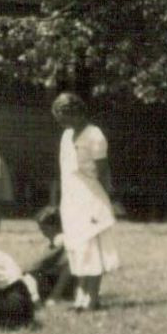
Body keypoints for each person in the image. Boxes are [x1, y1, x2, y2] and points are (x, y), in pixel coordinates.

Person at [52, 92, 119, 311]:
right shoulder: (66, 136)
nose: (60, 121)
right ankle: (80, 296)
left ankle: (92, 298)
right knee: (77, 247)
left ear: (77, 112)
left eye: (64, 114)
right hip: (71, 199)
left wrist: (109, 199)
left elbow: (103, 172)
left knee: (92, 247)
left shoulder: (94, 135)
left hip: (91, 198)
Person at [26, 206, 76, 303]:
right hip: (63, 282)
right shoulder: (59, 239)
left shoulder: (61, 238)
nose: (43, 232)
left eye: (44, 228)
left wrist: (28, 269)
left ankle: (54, 295)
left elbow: (44, 261)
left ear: (54, 226)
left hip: (59, 282)